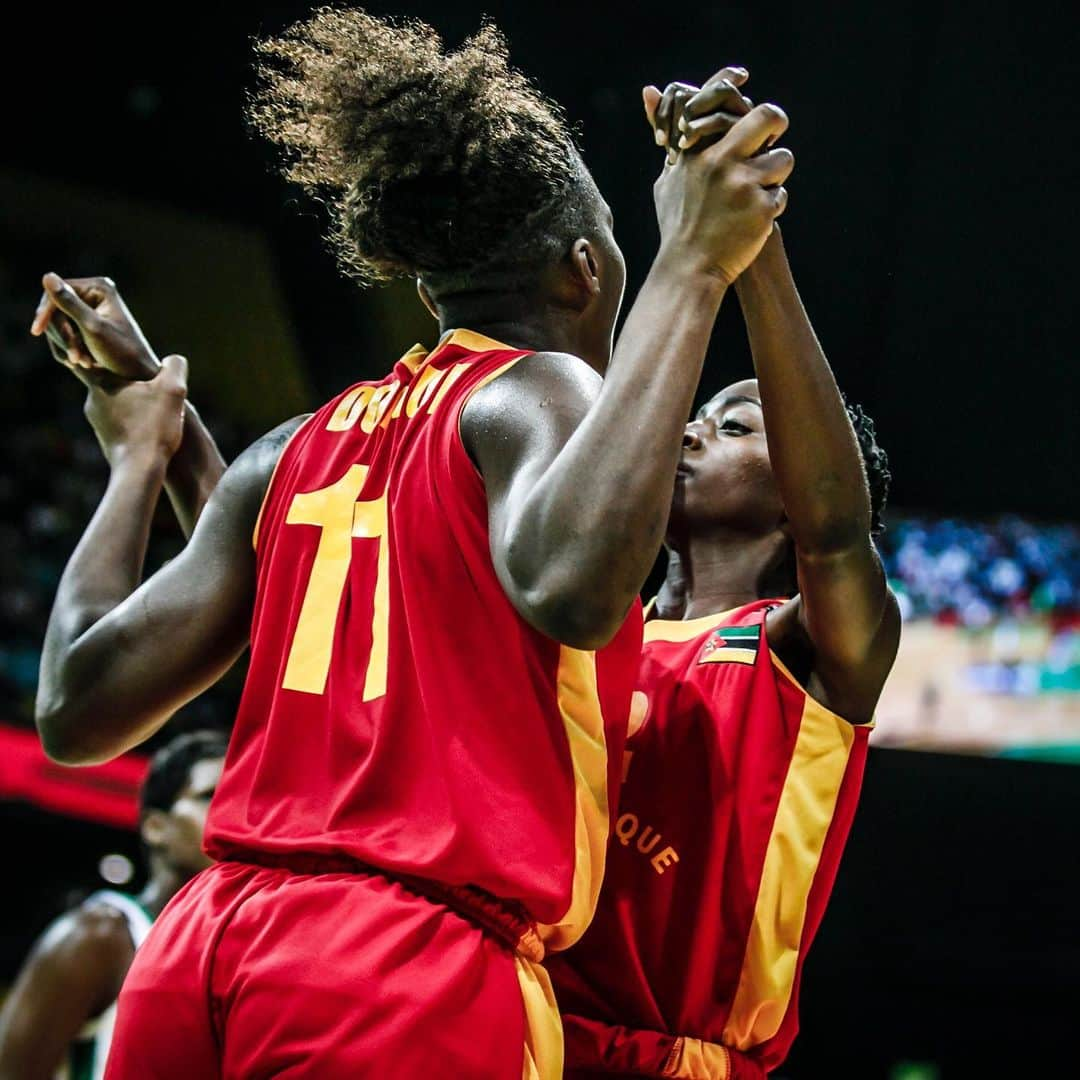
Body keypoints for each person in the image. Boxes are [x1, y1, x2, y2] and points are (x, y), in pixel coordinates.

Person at [30, 8, 793, 1076]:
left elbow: (73, 709)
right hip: (399, 970)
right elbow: (575, 587)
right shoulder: (540, 392)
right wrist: (695, 267)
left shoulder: (296, 448)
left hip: (204, 951)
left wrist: (136, 459)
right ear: (584, 270)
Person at [546, 90, 900, 1079]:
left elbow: (839, 532)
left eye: (737, 424)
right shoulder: (578, 623)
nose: (694, 428)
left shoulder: (811, 649)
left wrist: (752, 244)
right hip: (511, 1027)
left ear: (796, 491)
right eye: (701, 414)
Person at [0, 730, 227, 1080]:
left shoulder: (235, 951)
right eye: (210, 796)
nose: (231, 812)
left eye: (240, 796)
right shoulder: (99, 934)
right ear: (156, 827)